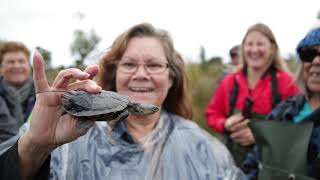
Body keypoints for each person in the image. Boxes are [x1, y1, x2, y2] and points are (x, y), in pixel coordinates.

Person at [0, 23, 247, 180]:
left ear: (171, 78)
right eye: (129, 64)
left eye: (153, 64)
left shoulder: (201, 147)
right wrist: (34, 147)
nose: (141, 74)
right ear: (114, 74)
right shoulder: (69, 137)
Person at [205, 23, 300, 166]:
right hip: (231, 166)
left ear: (272, 49)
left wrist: (261, 136)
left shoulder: (287, 83)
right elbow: (212, 113)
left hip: (270, 167)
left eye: (260, 44)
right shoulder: (230, 81)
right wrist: (224, 124)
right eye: (249, 44)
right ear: (243, 49)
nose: (254, 49)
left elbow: (298, 129)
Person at [242, 26, 320, 180]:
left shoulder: (281, 82)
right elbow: (254, 163)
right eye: (309, 54)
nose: (316, 61)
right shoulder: (284, 110)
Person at [0, 41, 35, 143]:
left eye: (21, 61)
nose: (16, 66)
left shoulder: (44, 95)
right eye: (11, 62)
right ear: (1, 68)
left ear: (29, 66)